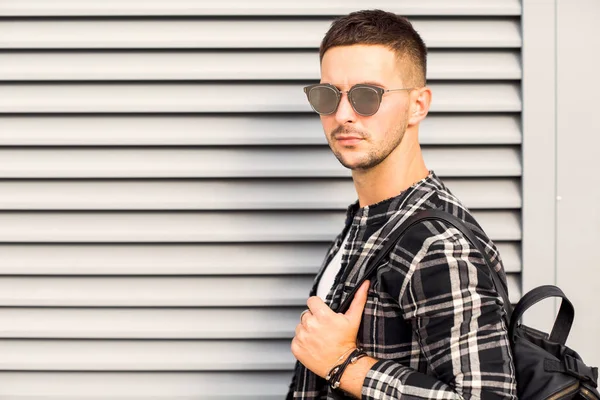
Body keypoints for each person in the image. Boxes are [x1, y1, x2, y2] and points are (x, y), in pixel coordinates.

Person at [287, 9, 517, 400]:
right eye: (328, 95)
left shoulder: (437, 245)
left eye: (367, 95)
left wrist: (346, 365)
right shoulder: (369, 218)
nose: (342, 115)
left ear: (418, 105)